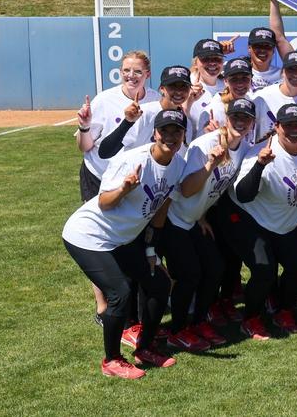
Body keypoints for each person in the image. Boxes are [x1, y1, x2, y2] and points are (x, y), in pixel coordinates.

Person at [62, 109, 188, 378]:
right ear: (154, 133)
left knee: (159, 282)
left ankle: (145, 348)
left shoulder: (177, 165)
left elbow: (162, 206)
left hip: (123, 238)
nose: (170, 136)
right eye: (164, 130)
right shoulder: (131, 161)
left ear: (183, 135)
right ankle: (112, 360)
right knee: (120, 292)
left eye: (176, 131)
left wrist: (151, 250)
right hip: (89, 236)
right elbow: (105, 203)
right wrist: (125, 189)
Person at [74, 50, 160, 324]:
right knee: (100, 239)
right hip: (98, 176)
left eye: (137, 71)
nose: (131, 76)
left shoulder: (156, 100)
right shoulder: (105, 100)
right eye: (126, 70)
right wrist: (84, 127)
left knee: (127, 237)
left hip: (133, 181)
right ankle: (103, 306)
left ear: (147, 73)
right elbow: (85, 148)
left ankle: (130, 297)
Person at [163, 98, 256, 351]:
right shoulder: (204, 145)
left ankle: (199, 322)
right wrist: (210, 164)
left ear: (252, 123)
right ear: (227, 118)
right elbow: (186, 188)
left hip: (194, 220)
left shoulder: (243, 147)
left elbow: (217, 189)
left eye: (246, 118)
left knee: (215, 268)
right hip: (174, 220)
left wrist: (202, 215)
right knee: (190, 276)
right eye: (236, 116)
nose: (240, 121)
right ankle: (177, 330)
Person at [230, 103, 297, 340]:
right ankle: (251, 318)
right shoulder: (261, 152)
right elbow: (243, 195)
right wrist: (260, 165)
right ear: (277, 127)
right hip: (255, 220)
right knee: (263, 271)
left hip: (289, 221)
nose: (294, 130)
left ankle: (284, 310)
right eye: (287, 125)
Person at [98, 65, 200, 158]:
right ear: (162, 89)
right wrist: (127, 122)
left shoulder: (186, 122)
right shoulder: (144, 113)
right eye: (173, 86)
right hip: (136, 175)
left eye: (183, 86)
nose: (179, 91)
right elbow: (105, 152)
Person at [253, 51, 297, 145]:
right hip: (265, 155)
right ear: (282, 72)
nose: (296, 74)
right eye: (291, 69)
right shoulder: (262, 97)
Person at [198, 57, 256, 136]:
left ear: (251, 80)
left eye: (245, 78)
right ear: (225, 81)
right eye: (234, 79)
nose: (240, 84)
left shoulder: (253, 102)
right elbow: (199, 144)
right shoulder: (214, 110)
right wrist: (209, 136)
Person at [246, 27, 283, 92]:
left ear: (273, 50)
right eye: (258, 46)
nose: (262, 50)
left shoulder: (282, 76)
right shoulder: (238, 72)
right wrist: (222, 50)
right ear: (249, 48)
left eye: (267, 46)